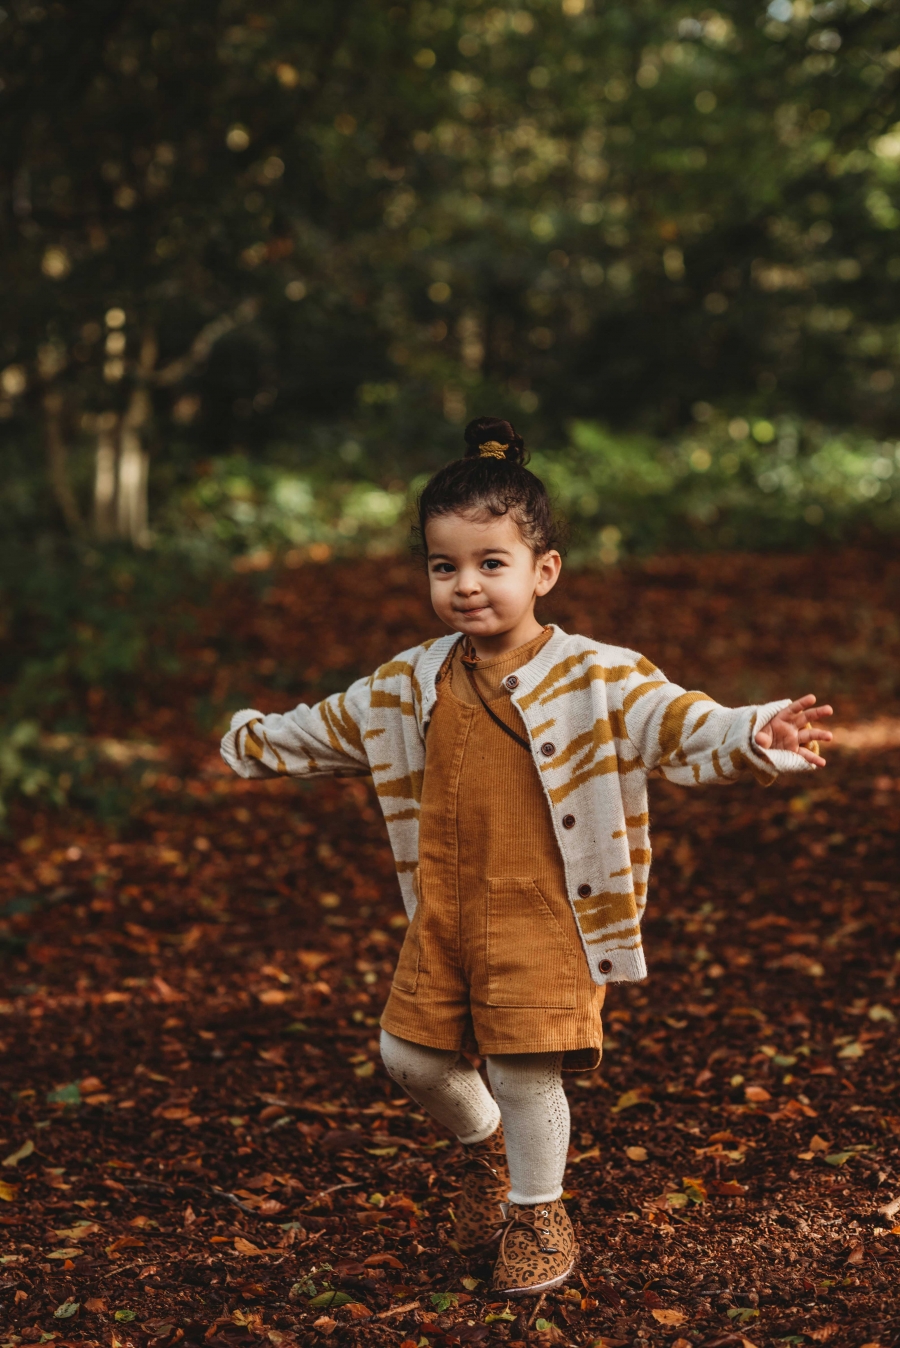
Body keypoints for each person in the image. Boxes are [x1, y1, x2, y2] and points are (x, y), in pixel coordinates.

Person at [220, 415, 833, 1296]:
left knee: (520, 1067)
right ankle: (484, 1152)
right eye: (444, 566)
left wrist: (751, 732)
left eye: (490, 563)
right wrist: (250, 741)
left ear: (543, 571)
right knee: (410, 1058)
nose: (466, 586)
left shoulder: (597, 674)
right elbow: (328, 725)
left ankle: (538, 1210)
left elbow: (678, 721)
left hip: (549, 912)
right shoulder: (411, 680)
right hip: (447, 909)